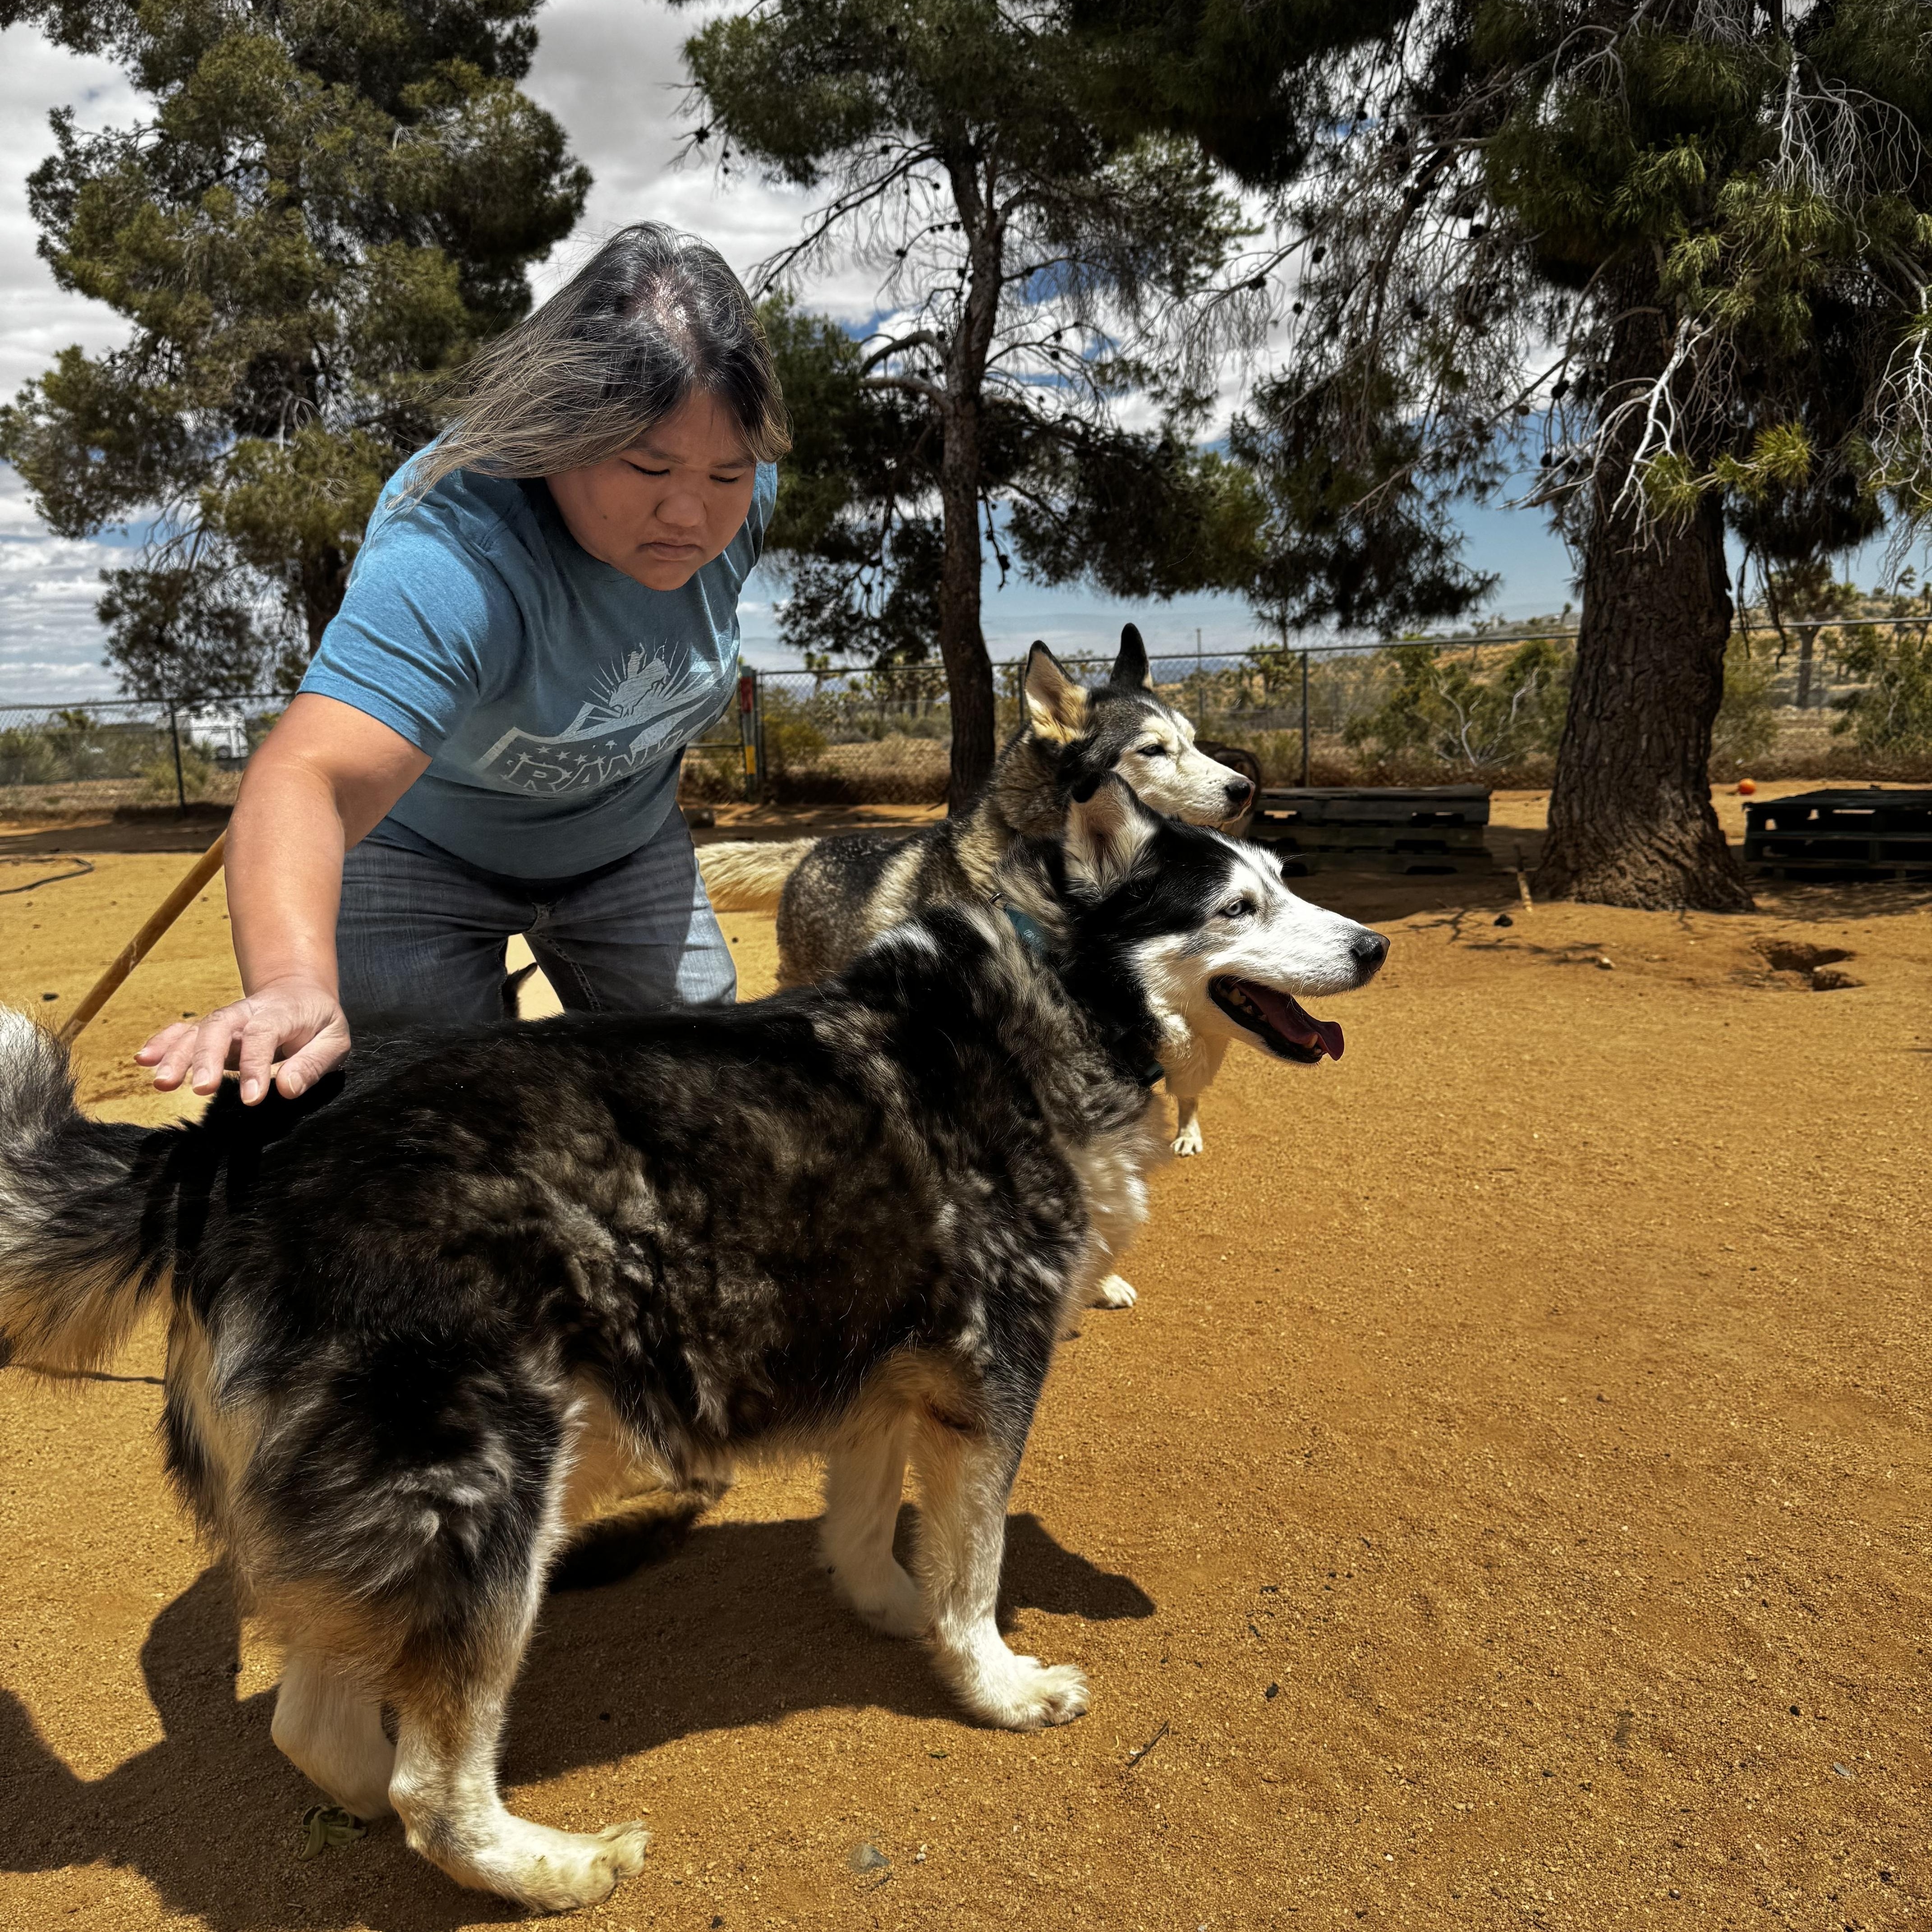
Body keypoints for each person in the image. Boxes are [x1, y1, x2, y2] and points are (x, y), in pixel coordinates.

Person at [137, 223, 788, 1107]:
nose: (691, 513)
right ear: (563, 429)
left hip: (627, 848)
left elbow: (710, 489)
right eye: (648, 464)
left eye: (727, 476)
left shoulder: (740, 495)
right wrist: (292, 978)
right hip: (418, 854)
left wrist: (707, 478)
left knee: (705, 1091)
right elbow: (311, 775)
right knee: (428, 1116)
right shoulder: (454, 551)